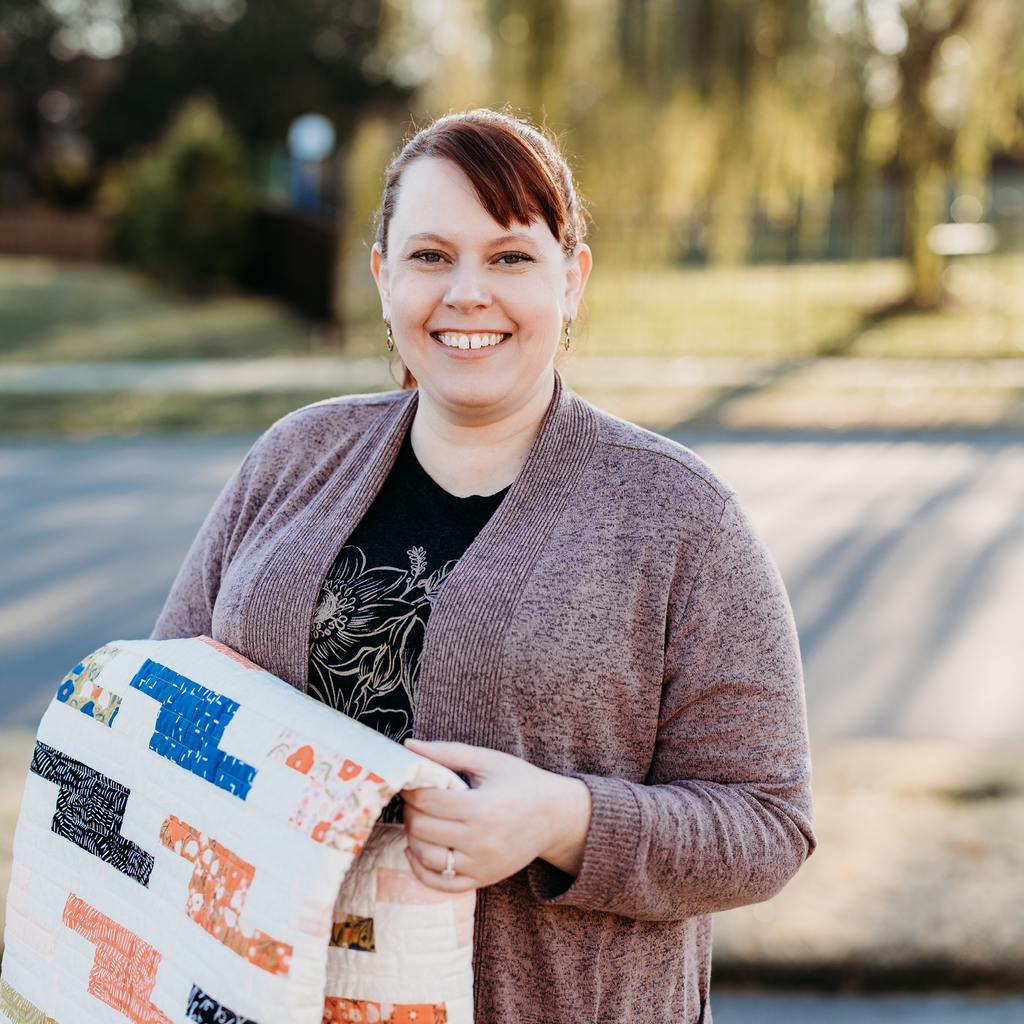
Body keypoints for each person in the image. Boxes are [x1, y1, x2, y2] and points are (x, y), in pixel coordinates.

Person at [153, 108, 814, 1023]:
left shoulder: (678, 519)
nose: (468, 292)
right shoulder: (290, 460)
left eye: (510, 257)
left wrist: (561, 820)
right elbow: (165, 701)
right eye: (430, 256)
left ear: (571, 280)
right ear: (382, 277)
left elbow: (768, 824)